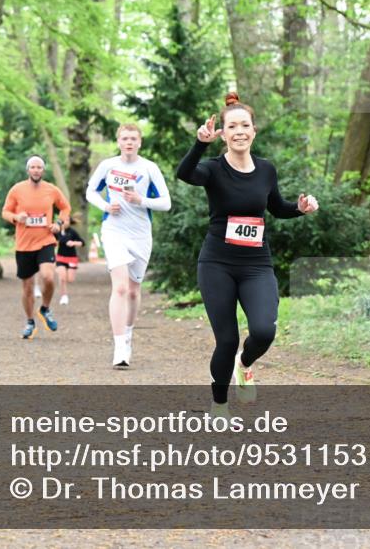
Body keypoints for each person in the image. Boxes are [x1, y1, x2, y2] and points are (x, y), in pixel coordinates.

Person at [177, 92, 319, 420]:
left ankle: (245, 365)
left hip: (256, 264)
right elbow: (185, 174)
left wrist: (299, 209)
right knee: (226, 340)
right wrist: (199, 143)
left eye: (245, 125)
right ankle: (219, 403)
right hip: (217, 264)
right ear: (223, 134)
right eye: (232, 126)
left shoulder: (266, 170)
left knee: (264, 330)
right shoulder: (213, 169)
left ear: (254, 131)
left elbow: (276, 208)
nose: (239, 131)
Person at [86, 124, 171, 368]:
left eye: (133, 138)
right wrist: (104, 206)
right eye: (125, 138)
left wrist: (141, 200)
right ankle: (120, 345)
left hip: (141, 234)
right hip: (114, 230)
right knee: (121, 288)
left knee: (134, 290)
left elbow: (165, 203)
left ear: (140, 142)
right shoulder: (108, 166)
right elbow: (90, 191)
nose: (129, 142)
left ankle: (129, 331)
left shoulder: (149, 168)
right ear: (118, 141)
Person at [1, 156, 71, 339]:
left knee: (48, 277)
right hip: (24, 244)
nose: (36, 170)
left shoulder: (51, 190)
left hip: (45, 241)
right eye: (33, 167)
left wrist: (59, 223)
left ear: (43, 170)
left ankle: (45, 309)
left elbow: (65, 208)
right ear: (28, 170)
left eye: (39, 167)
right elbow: (5, 212)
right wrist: (17, 218)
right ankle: (30, 321)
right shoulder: (17, 190)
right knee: (27, 287)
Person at [55, 215, 85, 305]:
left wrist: (74, 243)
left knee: (70, 279)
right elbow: (53, 240)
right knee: (62, 277)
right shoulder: (57, 232)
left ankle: (64, 292)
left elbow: (82, 242)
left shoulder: (73, 232)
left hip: (72, 258)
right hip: (60, 257)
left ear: (70, 222)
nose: (65, 222)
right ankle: (64, 296)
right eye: (63, 221)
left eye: (67, 220)